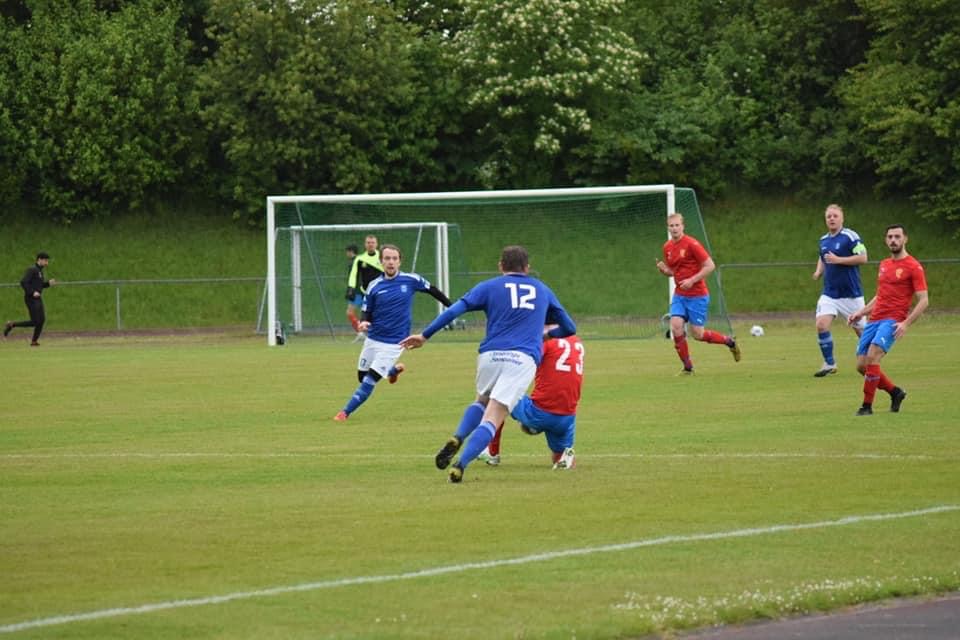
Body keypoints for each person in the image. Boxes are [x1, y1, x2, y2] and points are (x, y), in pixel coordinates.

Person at [400, 245, 576, 483]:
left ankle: (458, 436)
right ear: (527, 268)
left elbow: (454, 310)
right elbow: (569, 327)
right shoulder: (542, 290)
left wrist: (424, 335)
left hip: (490, 355)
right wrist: (545, 335)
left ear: (501, 266)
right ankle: (461, 464)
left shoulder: (488, 286)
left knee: (481, 401)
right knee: (494, 416)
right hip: (521, 358)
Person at [333, 244, 452, 421]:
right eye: (387, 258)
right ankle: (391, 371)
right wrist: (364, 321)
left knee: (370, 380)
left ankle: (344, 412)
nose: (391, 262)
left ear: (399, 261)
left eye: (394, 259)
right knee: (362, 377)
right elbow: (367, 310)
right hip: (373, 338)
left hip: (395, 342)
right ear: (381, 262)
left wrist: (453, 307)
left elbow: (433, 290)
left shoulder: (411, 279)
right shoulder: (374, 285)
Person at [848, 224, 928, 416]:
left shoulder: (913, 266)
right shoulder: (884, 264)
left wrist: (906, 323)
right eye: (890, 237)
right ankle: (895, 392)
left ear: (905, 239)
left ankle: (866, 406)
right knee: (862, 366)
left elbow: (924, 300)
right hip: (875, 318)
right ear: (886, 240)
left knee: (873, 355)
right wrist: (861, 312)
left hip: (893, 319)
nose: (893, 240)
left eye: (897, 236)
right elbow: (880, 296)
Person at [479, 332, 584, 469]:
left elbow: (523, 362)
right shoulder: (576, 341)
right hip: (566, 418)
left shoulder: (545, 339)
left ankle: (492, 453)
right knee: (560, 457)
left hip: (539, 412)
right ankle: (565, 459)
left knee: (498, 392)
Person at [655, 213, 739, 373]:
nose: (674, 228)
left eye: (677, 225)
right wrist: (665, 270)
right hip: (680, 295)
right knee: (676, 326)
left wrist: (692, 280)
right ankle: (688, 368)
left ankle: (729, 342)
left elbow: (710, 265)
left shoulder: (692, 244)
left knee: (698, 335)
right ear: (668, 228)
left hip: (697, 296)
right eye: (671, 226)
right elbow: (674, 272)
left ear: (683, 226)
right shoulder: (667, 247)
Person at [812, 204, 868, 377]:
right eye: (828, 216)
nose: (832, 219)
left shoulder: (850, 237)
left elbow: (863, 258)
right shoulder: (823, 240)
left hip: (851, 295)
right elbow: (823, 257)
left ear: (842, 218)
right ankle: (829, 363)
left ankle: (871, 361)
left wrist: (839, 260)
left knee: (863, 334)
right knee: (821, 325)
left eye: (835, 216)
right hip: (830, 294)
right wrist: (818, 271)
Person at [4, 251, 57, 346]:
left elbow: (39, 285)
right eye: (45, 260)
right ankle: (12, 324)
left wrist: (48, 283)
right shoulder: (32, 269)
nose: (47, 263)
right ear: (39, 260)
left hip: (38, 298)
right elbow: (23, 282)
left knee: (41, 320)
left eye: (47, 261)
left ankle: (34, 341)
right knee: (35, 321)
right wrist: (32, 292)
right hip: (31, 299)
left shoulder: (40, 271)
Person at [346, 235, 384, 341]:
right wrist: (351, 288)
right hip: (365, 292)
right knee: (364, 314)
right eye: (368, 242)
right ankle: (364, 333)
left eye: (372, 242)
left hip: (380, 292)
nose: (370, 244)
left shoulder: (382, 257)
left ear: (376, 244)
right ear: (365, 244)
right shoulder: (360, 259)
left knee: (380, 314)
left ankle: (381, 334)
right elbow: (353, 275)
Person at [343, 244, 361, 332]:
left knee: (350, 313)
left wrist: (351, 289)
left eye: (347, 251)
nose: (346, 254)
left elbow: (355, 278)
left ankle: (361, 331)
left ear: (351, 252)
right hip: (359, 290)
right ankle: (362, 331)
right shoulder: (359, 261)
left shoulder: (354, 262)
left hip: (357, 291)